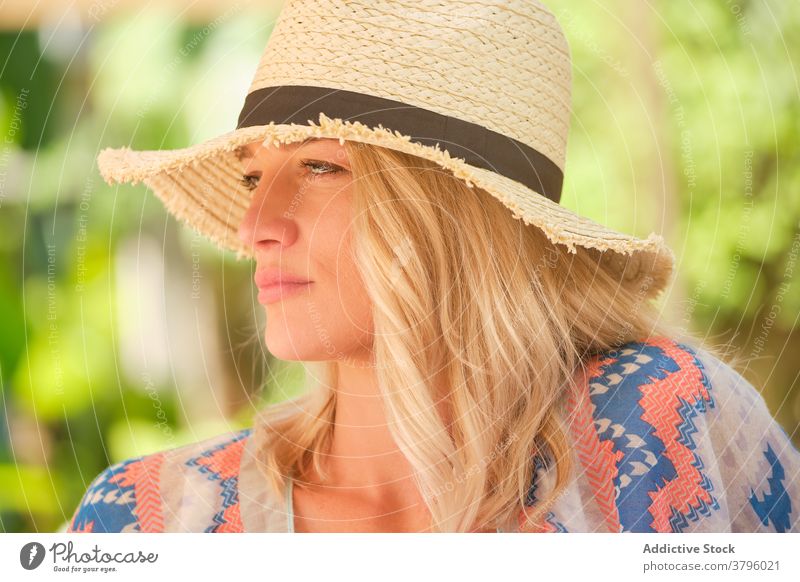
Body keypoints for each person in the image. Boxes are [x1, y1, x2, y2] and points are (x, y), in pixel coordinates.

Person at [66, 0, 800, 533]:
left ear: (457, 213)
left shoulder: (661, 421)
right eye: (256, 176)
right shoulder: (139, 523)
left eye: (320, 167)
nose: (256, 225)